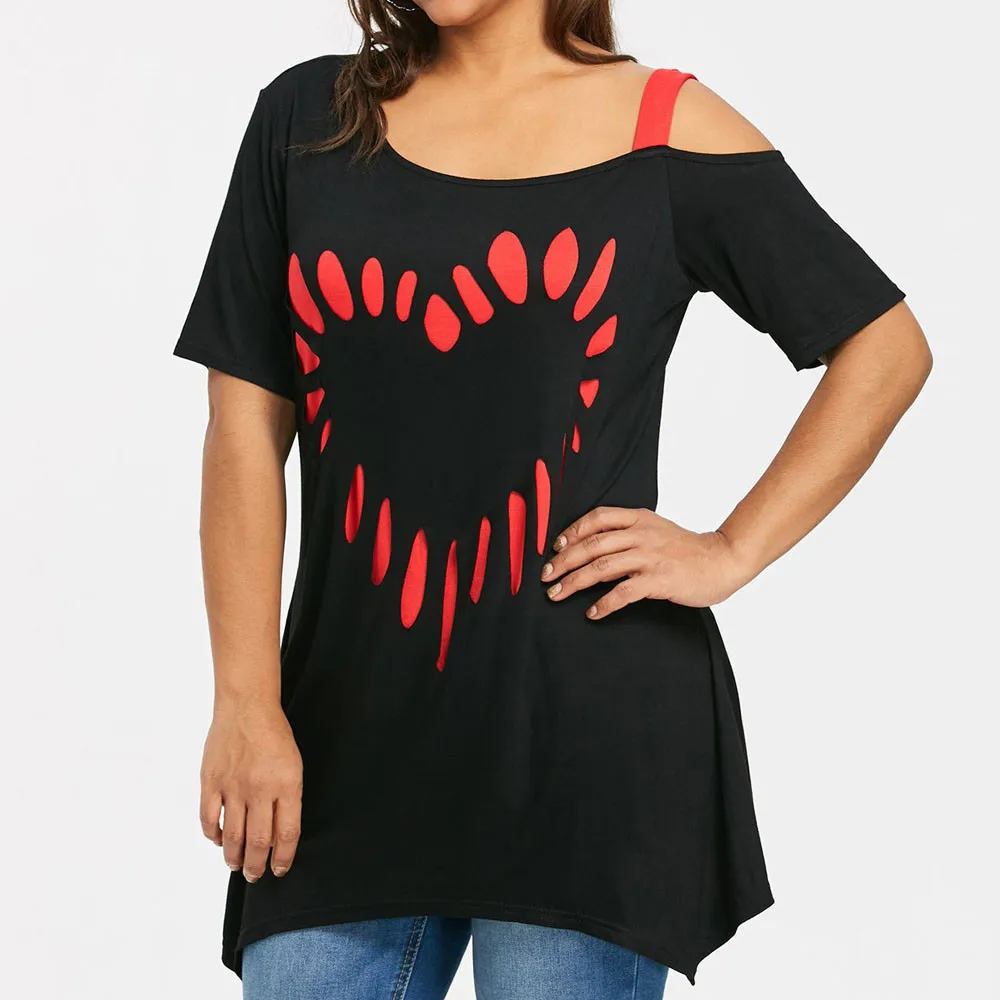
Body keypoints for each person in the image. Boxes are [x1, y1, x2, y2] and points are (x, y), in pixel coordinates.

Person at [173, 1, 932, 997]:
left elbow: (884, 348)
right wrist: (244, 701)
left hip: (584, 752)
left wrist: (730, 548)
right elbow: (242, 432)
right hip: (343, 743)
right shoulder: (310, 119)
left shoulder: (664, 131)